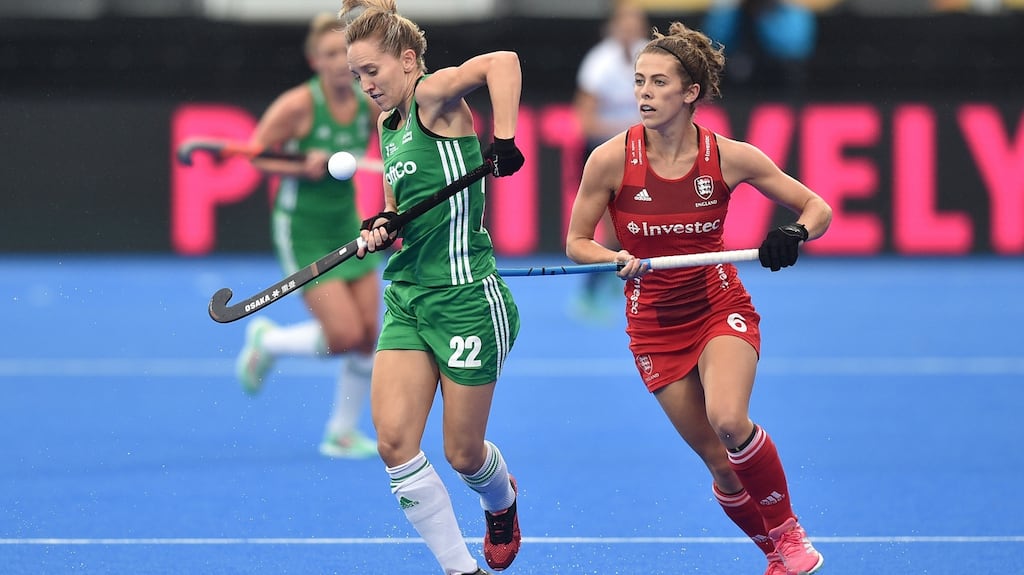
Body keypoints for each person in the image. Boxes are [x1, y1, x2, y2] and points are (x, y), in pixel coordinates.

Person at [565, 21, 831, 575]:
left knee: (730, 421)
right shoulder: (609, 160)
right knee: (720, 462)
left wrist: (795, 234)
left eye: (658, 83)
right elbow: (575, 243)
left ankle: (788, 530)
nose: (643, 93)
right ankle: (772, 554)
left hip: (717, 305)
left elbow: (817, 208)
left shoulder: (730, 157)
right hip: (653, 325)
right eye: (639, 81)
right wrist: (613, 258)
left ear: (690, 93)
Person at [341, 1, 525, 573]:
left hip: (467, 298)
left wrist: (506, 136)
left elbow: (504, 61)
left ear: (408, 60)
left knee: (463, 454)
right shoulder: (386, 124)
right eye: (357, 76)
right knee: (394, 442)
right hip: (409, 297)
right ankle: (458, 567)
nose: (366, 85)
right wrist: (381, 223)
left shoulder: (432, 95)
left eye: (373, 71)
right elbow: (399, 207)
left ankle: (502, 502)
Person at [235, 12, 380, 459]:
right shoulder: (297, 106)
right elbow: (255, 157)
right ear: (314, 59)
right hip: (301, 229)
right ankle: (268, 343)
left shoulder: (367, 101)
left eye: (346, 53)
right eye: (330, 54)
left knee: (369, 333)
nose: (340, 62)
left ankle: (340, 432)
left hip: (345, 221)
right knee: (342, 336)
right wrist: (301, 164)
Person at [570, 0, 650, 324]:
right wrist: (626, 133)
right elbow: (586, 120)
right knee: (610, 229)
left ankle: (629, 284)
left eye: (636, 22)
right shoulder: (598, 63)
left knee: (637, 224)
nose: (630, 29)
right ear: (613, 27)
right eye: (625, 23)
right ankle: (590, 291)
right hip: (604, 152)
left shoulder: (651, 57)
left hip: (643, 151)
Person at [702, 0, 817, 92]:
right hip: (734, 87)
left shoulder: (793, 12)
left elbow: (795, 49)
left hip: (780, 85)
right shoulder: (729, 12)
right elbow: (711, 44)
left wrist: (762, 17)